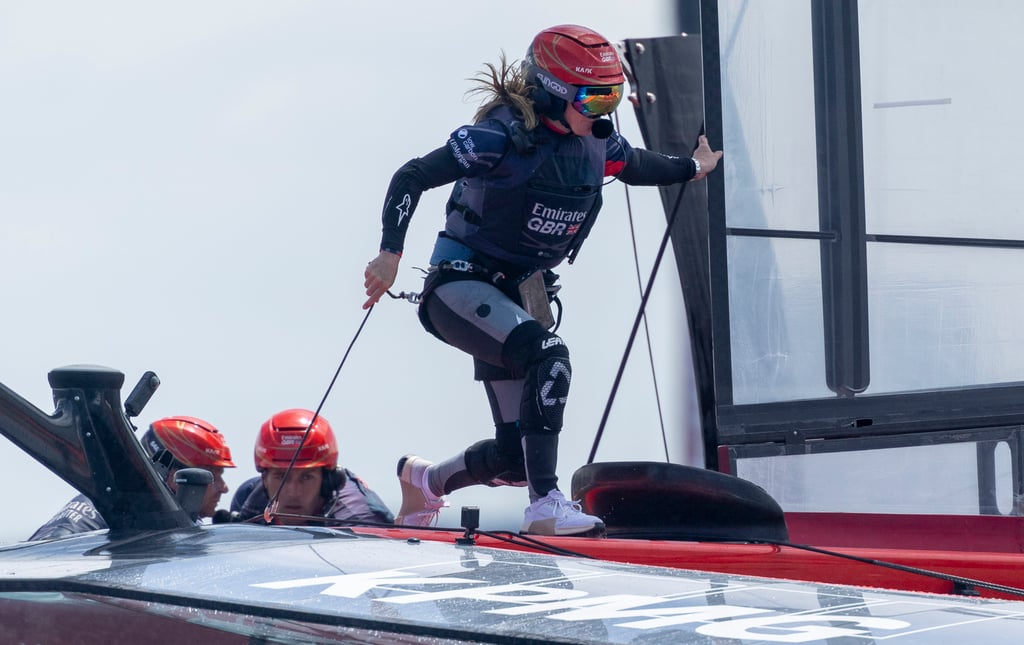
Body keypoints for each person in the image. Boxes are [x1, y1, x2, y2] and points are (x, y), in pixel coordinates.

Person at [363, 24, 722, 536]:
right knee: (549, 355)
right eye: (594, 99)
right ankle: (546, 505)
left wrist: (692, 167)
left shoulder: (596, 142)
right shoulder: (495, 138)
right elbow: (411, 176)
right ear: (554, 93)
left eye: (613, 97)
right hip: (460, 288)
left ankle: (425, 482)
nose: (604, 113)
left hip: (516, 294)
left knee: (513, 456)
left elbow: (637, 164)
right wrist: (390, 254)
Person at [29, 415, 235, 540]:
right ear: (173, 474)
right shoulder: (106, 509)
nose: (224, 488)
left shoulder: (171, 521)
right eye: (212, 475)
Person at [230, 408, 394, 526]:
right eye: (281, 477)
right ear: (264, 479)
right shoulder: (247, 500)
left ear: (327, 480)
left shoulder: (358, 520)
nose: (293, 492)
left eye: (306, 477)